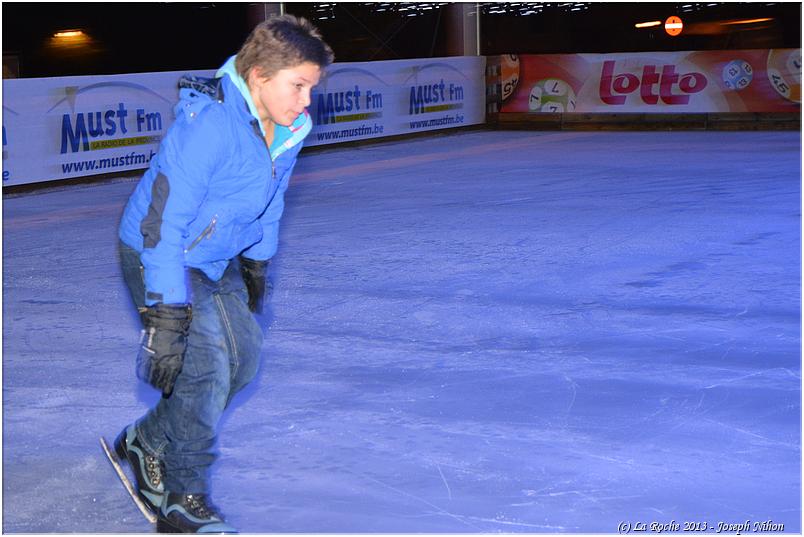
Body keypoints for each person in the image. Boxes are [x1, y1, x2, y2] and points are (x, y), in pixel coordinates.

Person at [114, 15, 333, 533]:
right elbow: (163, 226)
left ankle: (148, 439)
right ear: (259, 75)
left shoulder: (292, 128)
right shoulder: (207, 125)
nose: (306, 101)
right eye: (298, 86)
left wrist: (258, 261)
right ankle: (182, 497)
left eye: (311, 88)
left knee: (244, 360)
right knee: (206, 370)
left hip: (218, 256)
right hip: (160, 253)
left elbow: (272, 201)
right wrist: (167, 314)